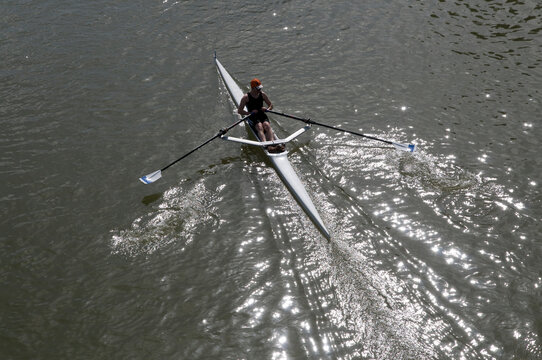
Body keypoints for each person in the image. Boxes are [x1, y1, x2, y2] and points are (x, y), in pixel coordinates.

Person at [237, 78, 284, 153]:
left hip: (262, 114)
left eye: (260, 88)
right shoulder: (246, 97)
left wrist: (267, 109)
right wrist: (250, 113)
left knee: (267, 125)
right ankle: (266, 145)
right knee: (259, 126)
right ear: (253, 88)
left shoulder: (262, 94)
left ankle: (272, 144)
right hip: (252, 116)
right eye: (258, 88)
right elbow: (239, 111)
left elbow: (271, 105)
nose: (259, 90)